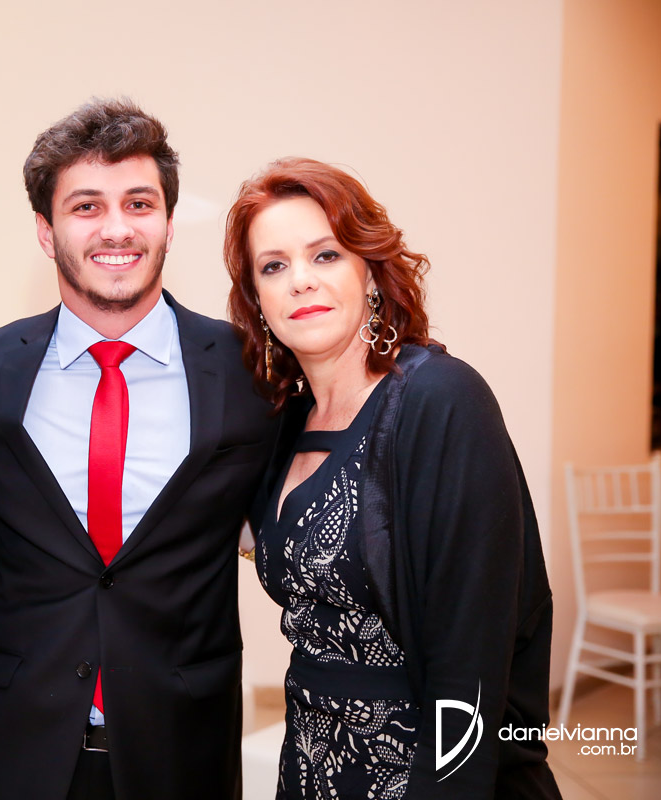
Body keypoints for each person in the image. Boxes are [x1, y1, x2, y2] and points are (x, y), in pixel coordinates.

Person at [0, 100, 278, 800]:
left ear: (168, 222)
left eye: (139, 203)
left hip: (183, 748)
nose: (117, 228)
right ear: (46, 231)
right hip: (15, 746)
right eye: (87, 206)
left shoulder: (251, 371)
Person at [224, 157, 560, 798]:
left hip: (423, 774)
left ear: (370, 273)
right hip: (311, 767)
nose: (300, 281)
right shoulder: (286, 422)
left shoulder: (439, 399)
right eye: (273, 266)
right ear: (257, 301)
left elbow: (470, 656)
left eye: (325, 255)